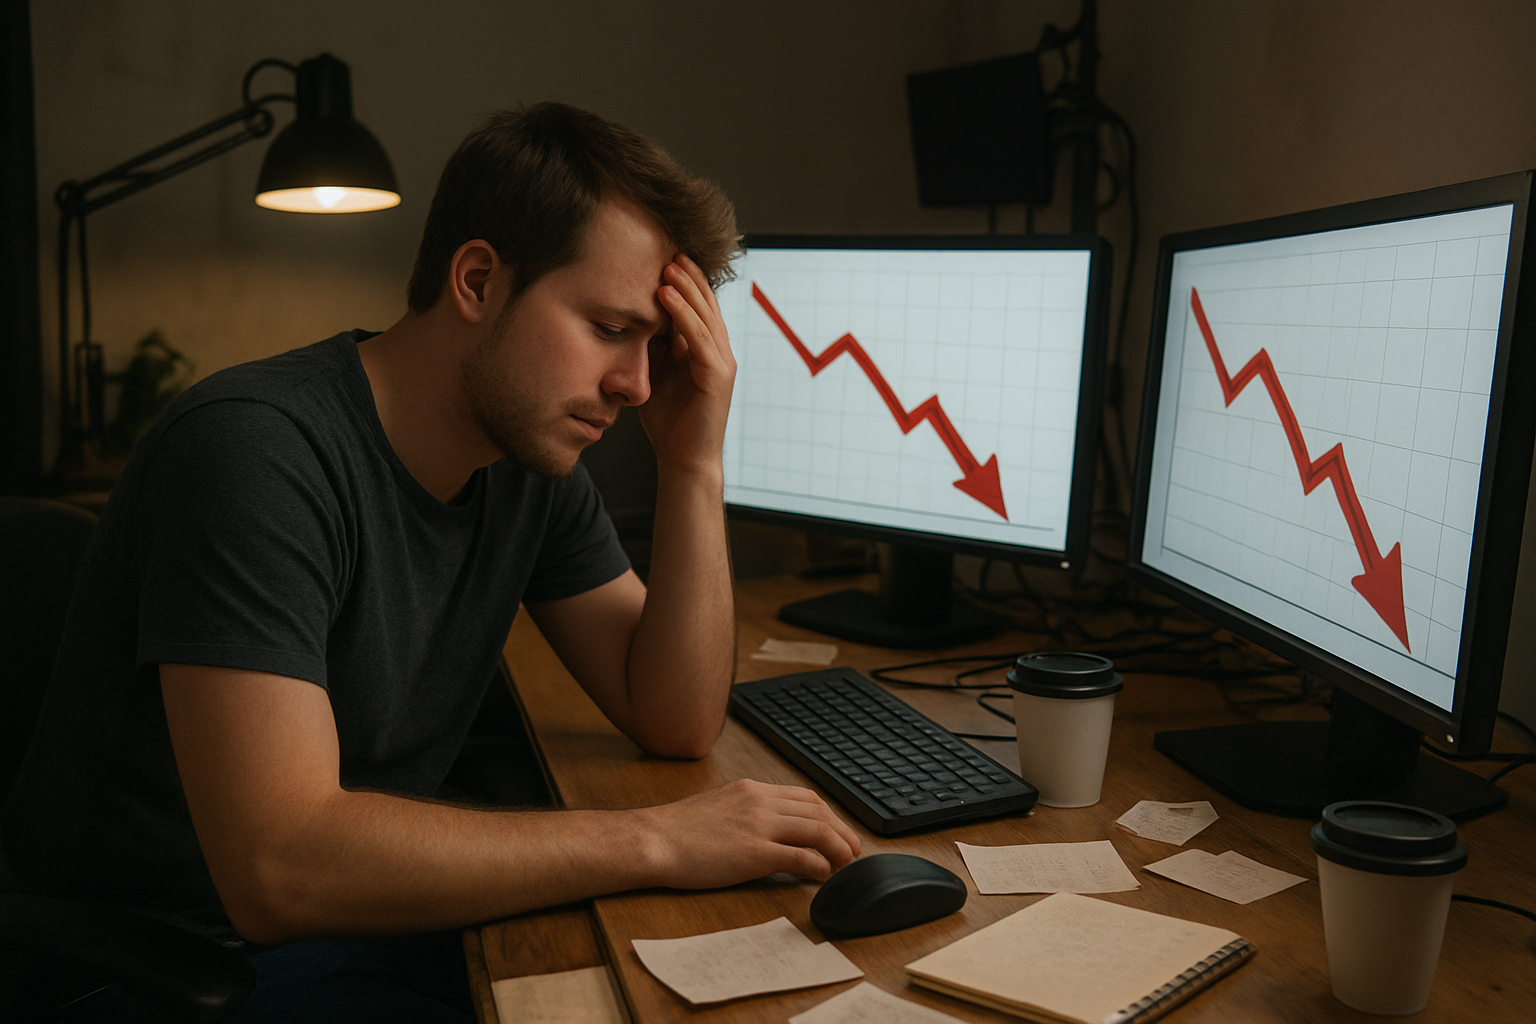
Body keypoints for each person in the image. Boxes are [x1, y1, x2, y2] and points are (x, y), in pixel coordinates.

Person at [1, 102, 859, 1021]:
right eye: (612, 329)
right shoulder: (253, 455)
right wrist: (653, 840)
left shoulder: (525, 459)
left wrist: (692, 462)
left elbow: (675, 715)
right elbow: (278, 870)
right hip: (159, 972)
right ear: (479, 280)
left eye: (655, 344)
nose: (639, 384)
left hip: (354, 924)